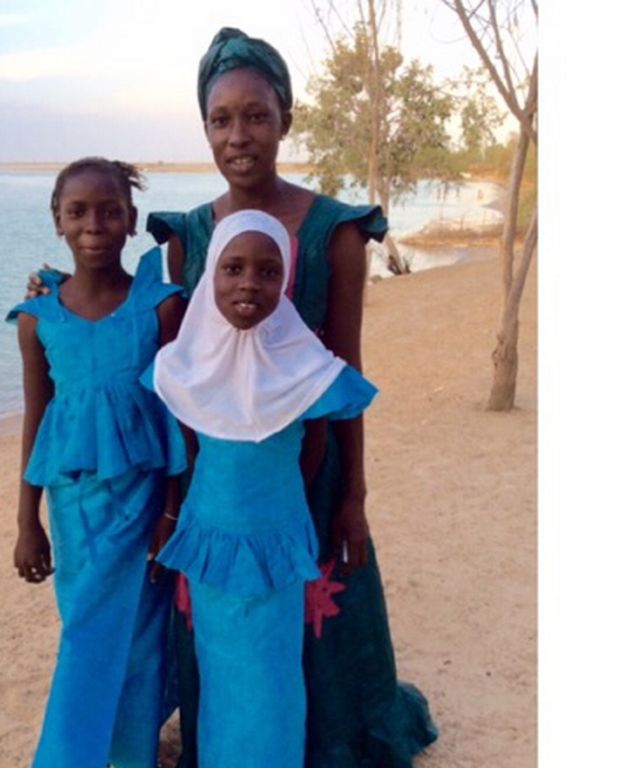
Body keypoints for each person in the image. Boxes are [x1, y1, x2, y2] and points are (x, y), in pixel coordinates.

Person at [145, 27, 438, 768]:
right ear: (205, 127)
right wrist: (50, 287)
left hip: (311, 470)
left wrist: (354, 497)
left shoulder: (334, 232)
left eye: (256, 116)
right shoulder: (189, 236)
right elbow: (178, 363)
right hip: (219, 491)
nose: (238, 136)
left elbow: (346, 370)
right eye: (220, 120)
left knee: (318, 632)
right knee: (233, 641)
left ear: (286, 119)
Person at [143, 209, 379, 768]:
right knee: (220, 673)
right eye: (233, 268)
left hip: (278, 541)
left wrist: (282, 504)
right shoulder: (184, 366)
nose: (250, 283)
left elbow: (314, 446)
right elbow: (188, 448)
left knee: (273, 680)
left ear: (285, 280)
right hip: (211, 540)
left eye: (269, 271)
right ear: (210, 274)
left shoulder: (305, 366)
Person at [7, 157, 187, 768]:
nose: (93, 224)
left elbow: (175, 416)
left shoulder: (160, 308)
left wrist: (170, 512)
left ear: (132, 220)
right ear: (56, 220)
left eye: (110, 211)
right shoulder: (38, 319)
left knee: (141, 641)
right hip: (73, 511)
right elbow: (36, 419)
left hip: (144, 507)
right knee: (84, 633)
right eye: (77, 211)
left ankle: (129, 755)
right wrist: (26, 522)